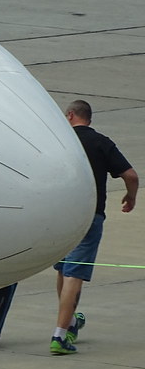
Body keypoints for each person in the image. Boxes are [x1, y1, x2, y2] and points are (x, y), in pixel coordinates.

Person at [51, 99, 138, 355]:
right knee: (74, 275)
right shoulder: (101, 142)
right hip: (89, 215)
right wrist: (130, 196)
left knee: (64, 269)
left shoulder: (60, 141)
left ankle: (70, 323)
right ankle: (60, 335)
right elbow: (131, 175)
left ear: (69, 116)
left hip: (62, 215)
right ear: (88, 118)